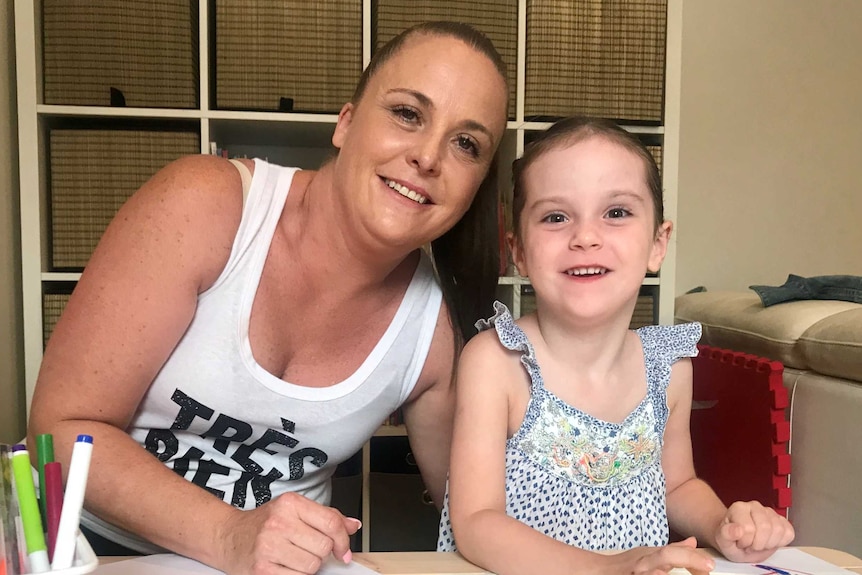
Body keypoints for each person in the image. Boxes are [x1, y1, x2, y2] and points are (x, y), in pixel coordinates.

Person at [26, 21, 509, 575]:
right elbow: (61, 425)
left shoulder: (435, 334)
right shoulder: (203, 205)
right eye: (407, 113)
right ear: (345, 123)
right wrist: (229, 534)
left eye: (466, 144)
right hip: (82, 547)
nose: (428, 157)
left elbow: (476, 507)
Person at [436, 116, 795, 575]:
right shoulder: (498, 361)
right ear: (519, 251)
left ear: (657, 244)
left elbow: (678, 484)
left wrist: (723, 523)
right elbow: (475, 522)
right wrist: (605, 568)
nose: (585, 236)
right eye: (555, 217)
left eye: (617, 212)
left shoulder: (668, 368)